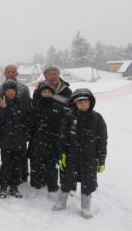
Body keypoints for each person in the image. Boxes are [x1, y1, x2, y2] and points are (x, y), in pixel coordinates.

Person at [53, 89, 107, 219]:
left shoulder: (97, 118)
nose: (82, 104)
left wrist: (101, 159)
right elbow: (62, 137)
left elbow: (102, 140)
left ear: (90, 102)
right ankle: (61, 202)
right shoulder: (69, 117)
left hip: (89, 158)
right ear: (74, 104)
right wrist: (61, 154)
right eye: (79, 102)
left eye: (85, 102)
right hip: (70, 156)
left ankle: (85, 207)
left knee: (88, 183)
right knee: (66, 180)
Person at [0, 65, 32, 183]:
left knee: (20, 156)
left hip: (19, 129)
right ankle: (5, 180)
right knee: (7, 158)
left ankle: (21, 176)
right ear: (5, 74)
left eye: (13, 72)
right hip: (5, 129)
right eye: (8, 72)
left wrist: (26, 128)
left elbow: (27, 109)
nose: (10, 74)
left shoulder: (24, 88)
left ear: (17, 73)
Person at [29, 82, 66, 195]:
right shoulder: (35, 105)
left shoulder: (58, 106)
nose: (46, 94)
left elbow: (62, 124)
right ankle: (36, 185)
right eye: (44, 92)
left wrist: (58, 137)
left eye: (49, 92)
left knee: (51, 165)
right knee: (36, 164)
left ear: (53, 93)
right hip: (37, 140)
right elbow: (30, 122)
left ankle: (52, 187)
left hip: (52, 140)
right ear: (40, 93)